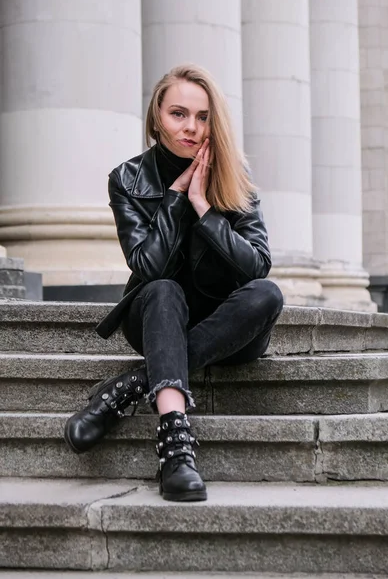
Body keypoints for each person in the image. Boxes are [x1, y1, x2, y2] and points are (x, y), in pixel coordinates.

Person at [64, 64, 284, 502]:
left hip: (230, 328)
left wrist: (204, 207)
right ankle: (176, 450)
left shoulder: (233, 177)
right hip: (156, 316)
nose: (192, 128)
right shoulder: (127, 179)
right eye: (178, 114)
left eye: (203, 117)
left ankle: (132, 386)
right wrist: (176, 199)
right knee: (165, 289)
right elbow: (148, 266)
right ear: (156, 118)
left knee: (269, 294)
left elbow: (257, 266)